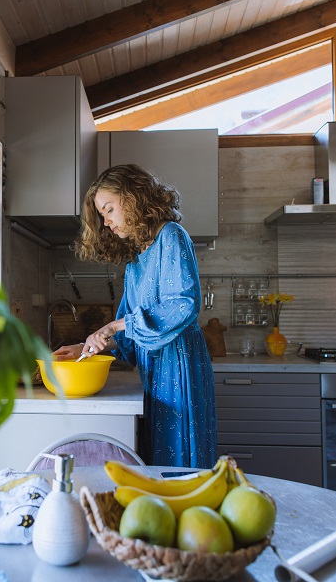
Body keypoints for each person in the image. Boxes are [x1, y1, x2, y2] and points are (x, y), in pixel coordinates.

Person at [53, 164, 217, 469]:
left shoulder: (171, 235)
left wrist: (113, 325)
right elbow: (129, 332)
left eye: (109, 209)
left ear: (133, 197)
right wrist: (86, 347)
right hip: (155, 369)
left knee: (180, 455)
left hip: (179, 365)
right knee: (159, 456)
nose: (107, 222)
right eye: (102, 216)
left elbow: (183, 304)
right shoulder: (137, 259)